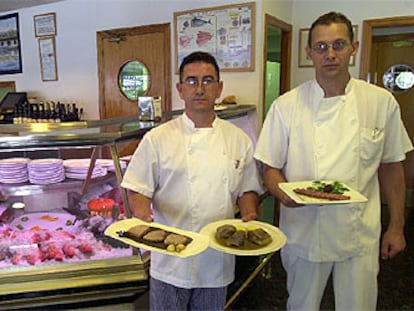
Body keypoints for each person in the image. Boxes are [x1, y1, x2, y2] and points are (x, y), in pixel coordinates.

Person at [254, 11, 413, 311]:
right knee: (301, 305)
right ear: (309, 52)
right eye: (321, 47)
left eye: (339, 45)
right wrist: (282, 193)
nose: (330, 54)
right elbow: (269, 168)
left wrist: (396, 226)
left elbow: (392, 166)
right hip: (304, 231)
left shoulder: (380, 102)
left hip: (358, 233)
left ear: (353, 49)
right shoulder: (286, 106)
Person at [121, 51, 263, 310]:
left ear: (219, 88)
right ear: (180, 89)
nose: (200, 88)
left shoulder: (238, 139)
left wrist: (249, 216)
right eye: (192, 81)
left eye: (208, 81)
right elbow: (138, 188)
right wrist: (142, 217)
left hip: (216, 257)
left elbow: (248, 189)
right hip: (170, 259)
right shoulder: (158, 137)